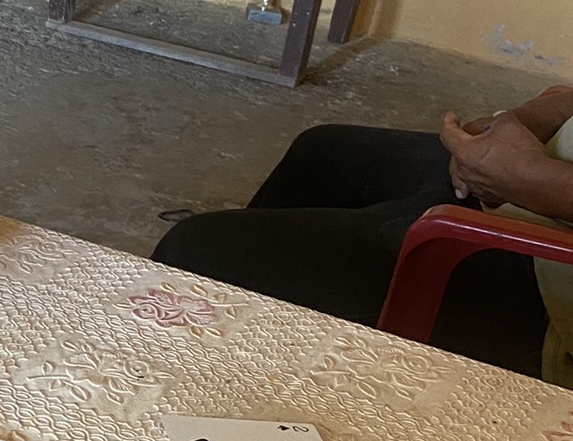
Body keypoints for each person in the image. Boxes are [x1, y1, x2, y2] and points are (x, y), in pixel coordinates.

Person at [151, 90, 573, 383]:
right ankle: (248, 365)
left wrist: (530, 178)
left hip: (551, 280)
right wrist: (528, 121)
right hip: (547, 184)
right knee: (322, 153)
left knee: (199, 248)